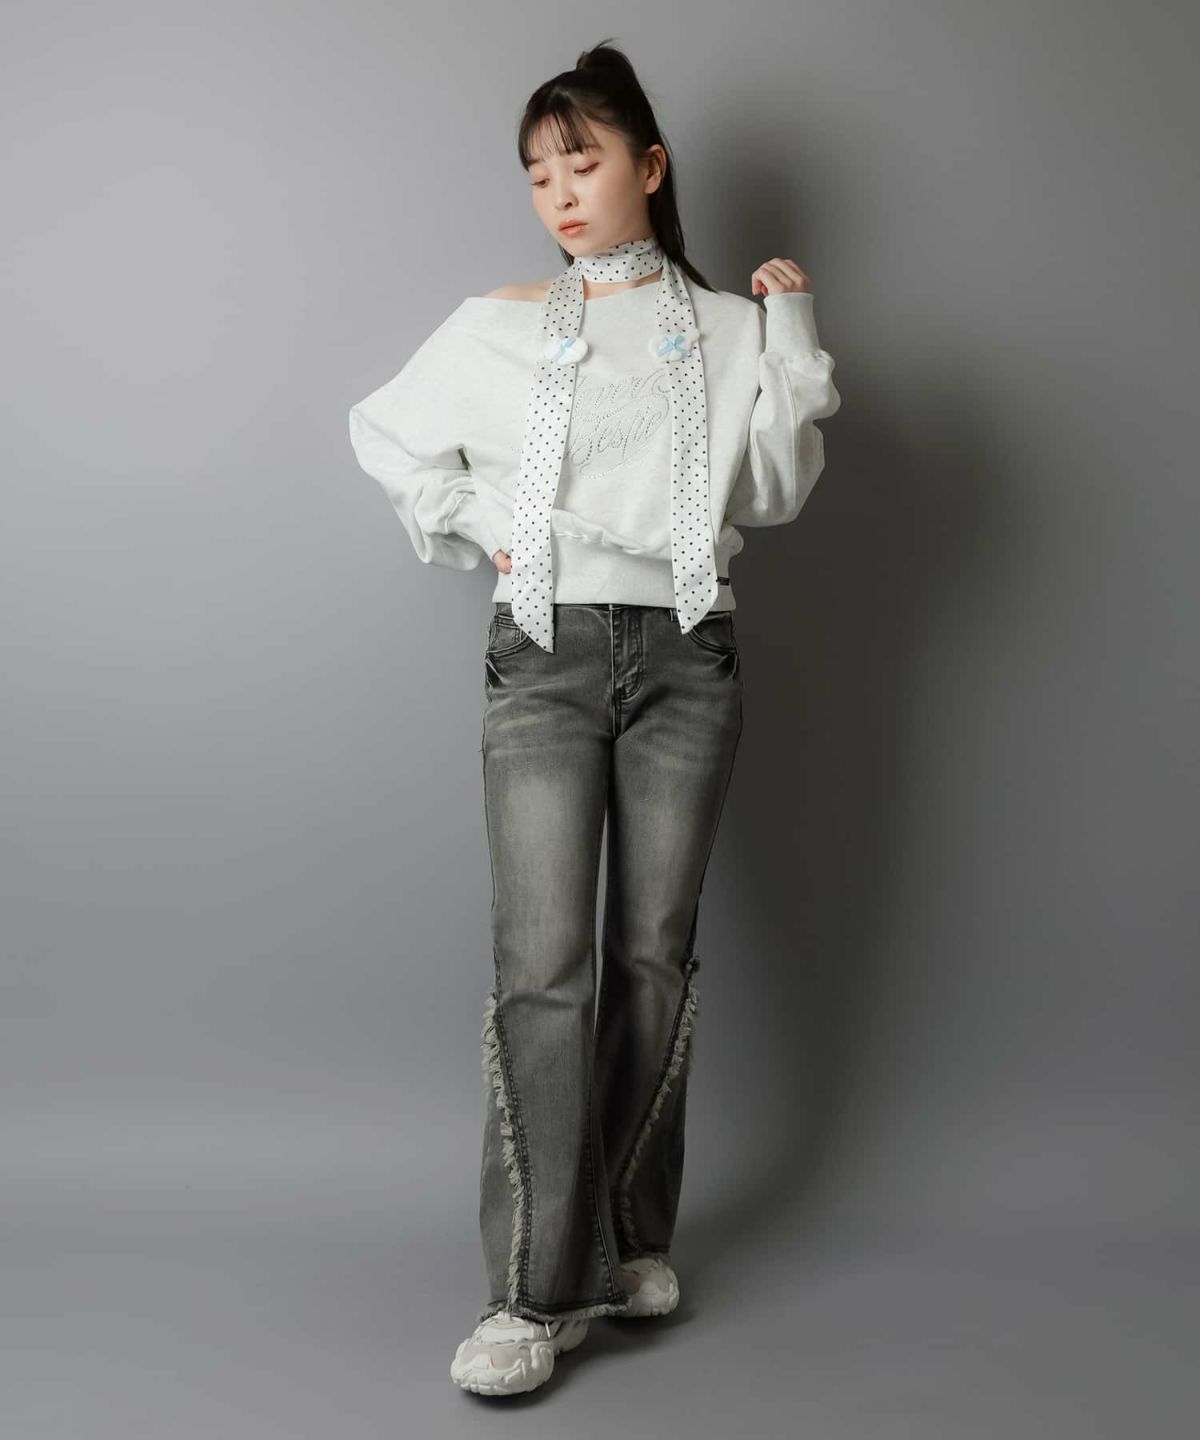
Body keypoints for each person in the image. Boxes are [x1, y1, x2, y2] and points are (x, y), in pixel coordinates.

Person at [347, 39, 841, 1398]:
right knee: (544, 967)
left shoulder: (731, 329)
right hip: (548, 652)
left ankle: (626, 1242)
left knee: (651, 961)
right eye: (537, 174)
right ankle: (532, 1292)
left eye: (583, 162)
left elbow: (773, 493)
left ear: (650, 166)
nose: (559, 194)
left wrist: (792, 335)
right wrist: (485, 520)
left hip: (690, 654)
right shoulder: (502, 322)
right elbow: (387, 432)